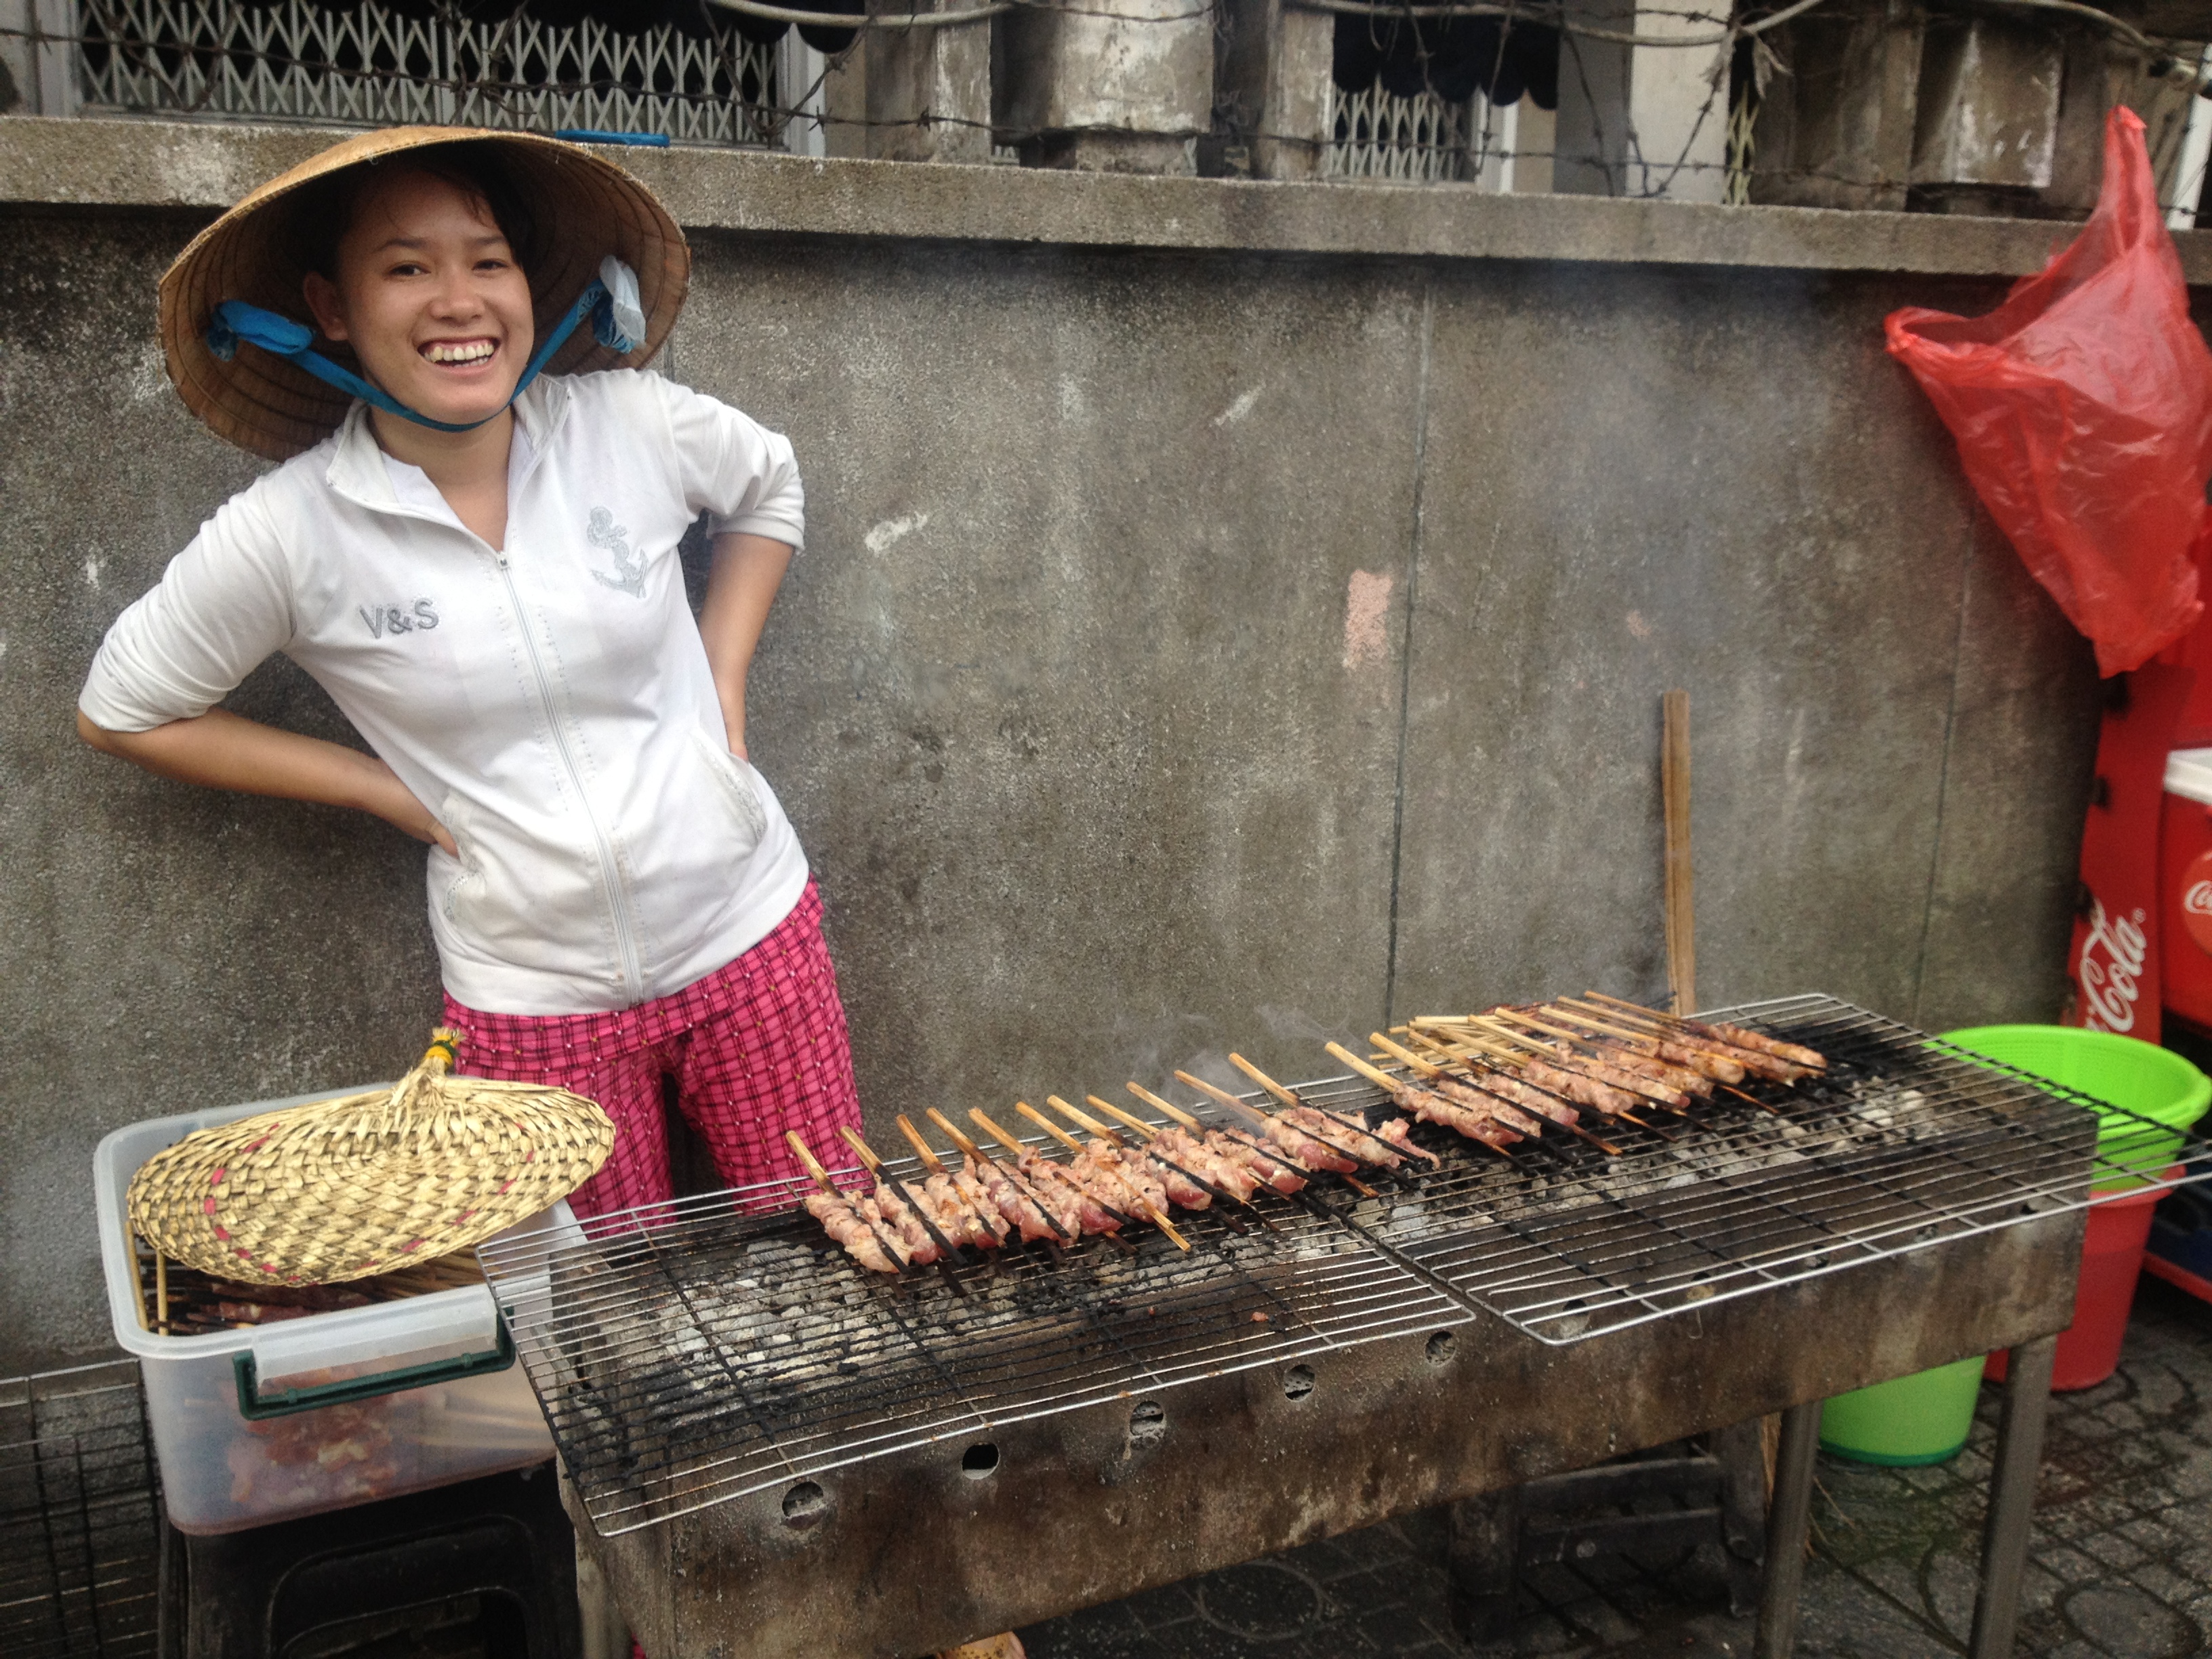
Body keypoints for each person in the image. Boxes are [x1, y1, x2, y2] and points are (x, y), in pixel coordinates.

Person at [75, 127, 863, 1223]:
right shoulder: (291, 531)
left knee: (840, 1246)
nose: (459, 299)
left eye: (486, 260)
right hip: (531, 1003)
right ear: (332, 306)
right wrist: (381, 789)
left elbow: (769, 484)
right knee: (602, 1336)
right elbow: (122, 709)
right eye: (408, 267)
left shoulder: (624, 424)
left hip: (749, 936)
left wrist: (724, 681)